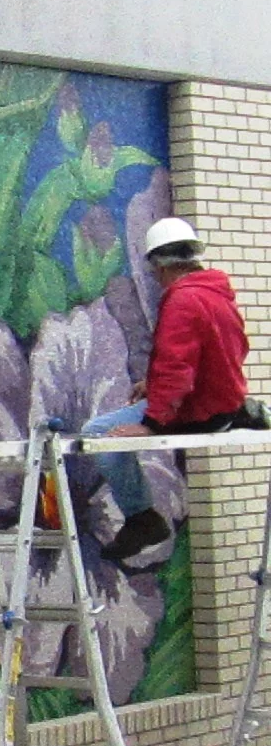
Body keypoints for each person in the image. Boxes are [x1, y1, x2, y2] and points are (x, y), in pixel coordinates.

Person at [89, 216, 253, 564]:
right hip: (221, 404)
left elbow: (176, 370)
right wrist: (153, 386)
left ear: (159, 264)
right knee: (122, 421)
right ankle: (244, 409)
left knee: (99, 432)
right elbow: (227, 351)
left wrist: (153, 422)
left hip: (197, 411)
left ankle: (141, 518)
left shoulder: (181, 300)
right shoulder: (217, 295)